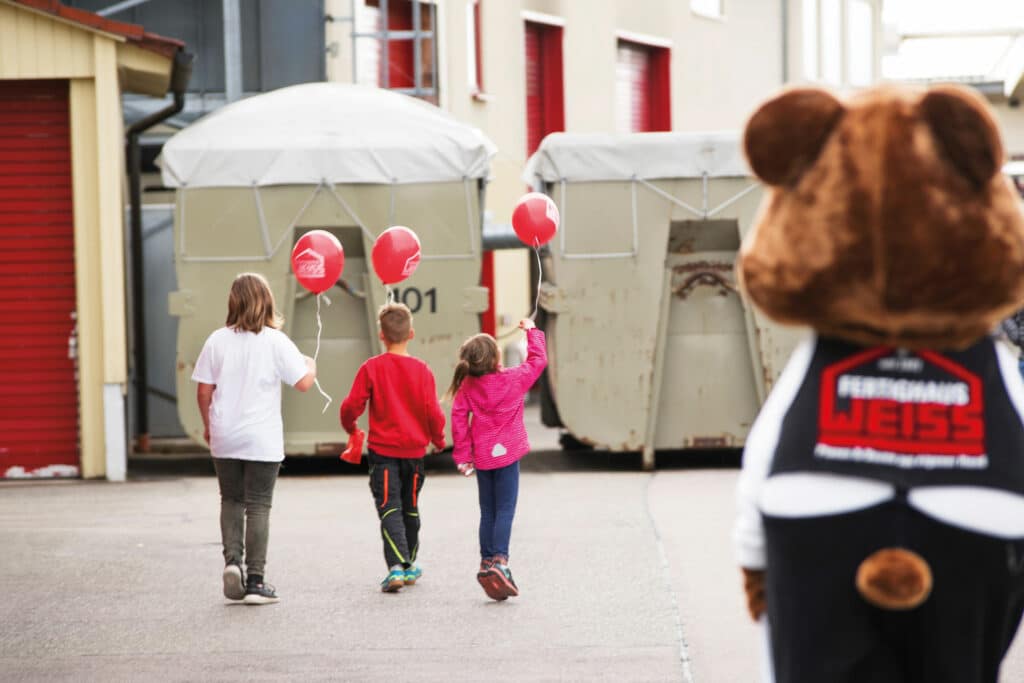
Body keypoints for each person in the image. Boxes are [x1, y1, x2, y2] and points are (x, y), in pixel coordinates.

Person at [192, 273, 316, 605]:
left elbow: (204, 391)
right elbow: (304, 383)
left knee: (231, 500)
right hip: (262, 439)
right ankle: (257, 582)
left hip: (225, 435)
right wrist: (310, 363)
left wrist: (208, 424)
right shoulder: (276, 341)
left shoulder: (216, 340)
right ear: (267, 301)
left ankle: (232, 563)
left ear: (233, 302)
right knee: (258, 506)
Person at [340, 302, 446, 593]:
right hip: (415, 454)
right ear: (411, 333)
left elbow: (351, 406)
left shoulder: (371, 368)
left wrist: (350, 427)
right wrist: (438, 439)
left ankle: (397, 567)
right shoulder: (423, 371)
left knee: (390, 507)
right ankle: (410, 563)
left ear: (381, 335)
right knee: (410, 508)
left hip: (383, 453)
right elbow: (433, 412)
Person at [448, 318, 547, 601]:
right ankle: (501, 562)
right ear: (496, 358)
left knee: (488, 512)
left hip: (482, 457)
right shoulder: (513, 379)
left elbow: (458, 419)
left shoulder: (467, 386)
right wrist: (531, 330)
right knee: (505, 511)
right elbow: (538, 360)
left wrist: (463, 456)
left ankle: (486, 563)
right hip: (507, 456)